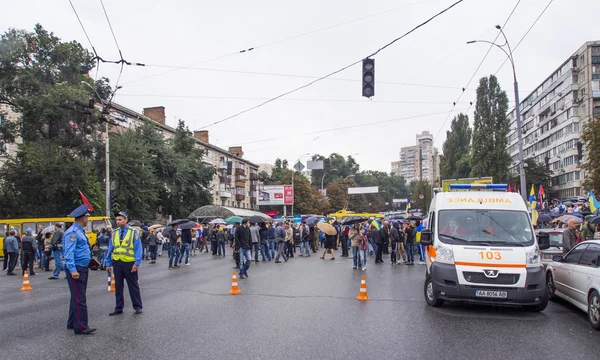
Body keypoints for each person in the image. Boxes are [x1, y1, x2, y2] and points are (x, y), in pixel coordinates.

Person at [63, 204, 96, 335]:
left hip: (82, 266)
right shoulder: (73, 233)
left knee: (76, 296)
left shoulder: (79, 231)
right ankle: (81, 326)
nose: (88, 220)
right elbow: (69, 253)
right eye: (87, 217)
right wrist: (73, 270)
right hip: (77, 268)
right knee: (80, 298)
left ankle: (72, 322)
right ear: (83, 218)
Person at [105, 211, 143, 316]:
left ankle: (137, 306)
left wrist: (137, 263)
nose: (118, 221)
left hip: (129, 263)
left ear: (125, 220)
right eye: (117, 220)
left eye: (120, 219)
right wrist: (107, 263)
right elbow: (110, 248)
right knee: (117, 286)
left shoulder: (133, 232)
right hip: (117, 263)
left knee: (133, 285)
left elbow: (138, 249)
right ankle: (118, 307)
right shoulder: (114, 233)